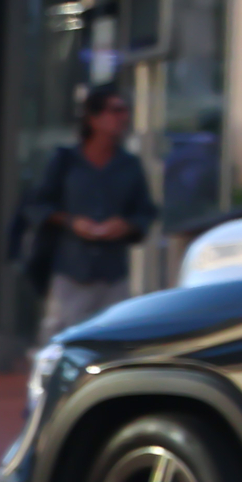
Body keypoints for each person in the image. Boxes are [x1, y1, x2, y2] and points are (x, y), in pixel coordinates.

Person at [22, 86, 157, 344]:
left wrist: (125, 225)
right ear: (94, 118)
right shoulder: (66, 161)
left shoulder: (129, 165)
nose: (123, 117)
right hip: (71, 271)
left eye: (126, 111)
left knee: (113, 341)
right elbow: (38, 205)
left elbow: (145, 212)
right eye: (116, 110)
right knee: (61, 341)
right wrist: (72, 222)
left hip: (113, 274)